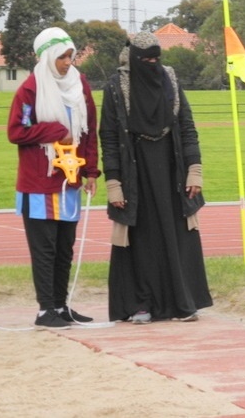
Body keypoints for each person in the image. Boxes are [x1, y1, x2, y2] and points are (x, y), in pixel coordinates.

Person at [100, 32, 212, 323]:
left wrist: (194, 170)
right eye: (146, 59)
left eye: (156, 58)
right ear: (135, 59)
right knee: (141, 239)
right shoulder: (116, 87)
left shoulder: (171, 81)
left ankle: (182, 303)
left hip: (172, 170)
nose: (153, 64)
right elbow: (109, 138)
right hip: (134, 173)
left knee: (177, 236)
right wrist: (113, 184)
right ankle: (141, 304)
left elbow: (187, 127)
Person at [7, 27, 101, 329]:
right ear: (47, 57)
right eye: (61, 57)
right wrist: (54, 130)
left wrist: (91, 172)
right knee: (44, 249)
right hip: (38, 185)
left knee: (64, 247)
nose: (67, 63)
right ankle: (45, 309)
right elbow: (16, 132)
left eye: (71, 56)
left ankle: (61, 305)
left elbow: (89, 131)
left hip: (70, 181)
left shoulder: (79, 85)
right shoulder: (29, 90)